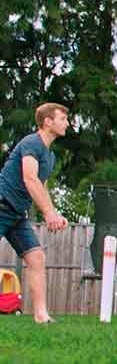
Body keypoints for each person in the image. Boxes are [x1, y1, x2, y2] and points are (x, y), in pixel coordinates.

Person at [0, 103, 70, 324]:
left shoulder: (49, 156)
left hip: (17, 215)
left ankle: (41, 315)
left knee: (36, 258)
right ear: (48, 122)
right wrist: (49, 213)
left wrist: (52, 213)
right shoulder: (31, 143)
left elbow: (41, 186)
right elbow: (29, 178)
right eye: (63, 119)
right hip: (2, 205)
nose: (67, 123)